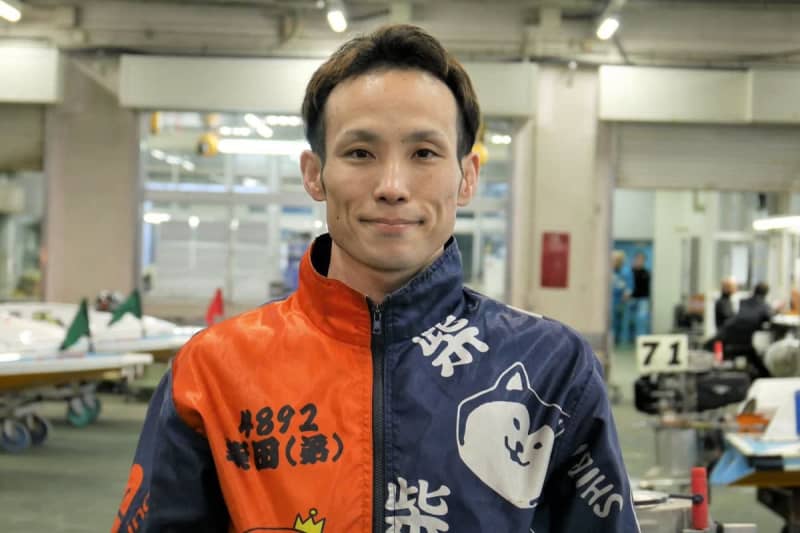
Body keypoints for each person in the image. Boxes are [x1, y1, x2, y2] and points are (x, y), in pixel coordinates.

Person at [113, 25, 640, 533]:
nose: (392, 185)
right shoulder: (213, 370)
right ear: (314, 174)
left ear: (468, 177)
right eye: (360, 153)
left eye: (424, 153)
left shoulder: (552, 367)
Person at [712, 282, 774, 378]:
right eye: (733, 287)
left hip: (725, 337)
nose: (735, 290)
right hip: (733, 341)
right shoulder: (764, 306)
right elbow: (769, 318)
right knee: (753, 355)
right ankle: (766, 376)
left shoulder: (742, 302)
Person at [611, 250, 632, 345]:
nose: (613, 261)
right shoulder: (610, 271)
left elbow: (629, 286)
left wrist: (626, 295)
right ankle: (613, 340)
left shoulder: (626, 271)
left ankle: (623, 341)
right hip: (613, 300)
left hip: (623, 300)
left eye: (615, 259)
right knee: (613, 321)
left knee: (624, 321)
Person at [629, 251, 651, 339]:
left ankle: (640, 338)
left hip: (643, 299)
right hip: (631, 299)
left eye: (641, 259)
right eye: (638, 259)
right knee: (629, 320)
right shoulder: (630, 272)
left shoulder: (646, 273)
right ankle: (629, 337)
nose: (639, 261)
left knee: (641, 319)